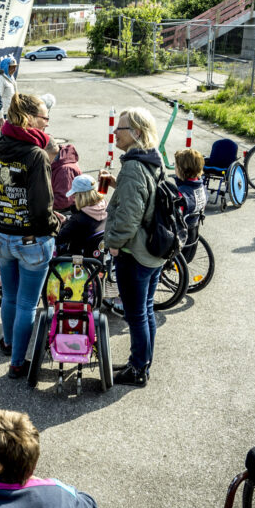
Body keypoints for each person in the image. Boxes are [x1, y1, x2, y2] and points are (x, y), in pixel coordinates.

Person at [0, 93, 59, 378]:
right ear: (28, 119)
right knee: (27, 303)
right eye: (43, 117)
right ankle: (16, 363)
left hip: (2, 237)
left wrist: (7, 212)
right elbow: (42, 209)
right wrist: (55, 227)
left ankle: (9, 342)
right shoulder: (36, 155)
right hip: (32, 241)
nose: (46, 123)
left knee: (10, 297)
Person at [100, 107, 167, 388]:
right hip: (154, 252)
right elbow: (143, 199)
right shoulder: (153, 159)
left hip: (135, 254)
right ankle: (142, 363)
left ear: (136, 133)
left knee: (136, 314)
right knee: (146, 310)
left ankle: (138, 368)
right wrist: (119, 184)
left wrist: (112, 245)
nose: (115, 131)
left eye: (121, 127)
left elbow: (128, 220)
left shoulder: (132, 167)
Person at [55, 175, 107, 256]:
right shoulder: (107, 208)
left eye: (75, 196)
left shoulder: (78, 220)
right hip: (100, 258)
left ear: (81, 196)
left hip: (78, 262)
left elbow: (58, 239)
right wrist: (66, 220)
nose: (73, 199)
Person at [173, 147, 208, 259]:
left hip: (180, 237)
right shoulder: (201, 187)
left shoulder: (181, 194)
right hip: (193, 232)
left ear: (182, 169)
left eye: (176, 166)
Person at [51, 144, 82, 215]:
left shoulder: (65, 170)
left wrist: (39, 203)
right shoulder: (58, 163)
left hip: (67, 211)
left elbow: (64, 201)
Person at [0, 58, 18, 124]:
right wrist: (0, 117)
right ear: (5, 66)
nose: (14, 69)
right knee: (6, 133)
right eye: (11, 67)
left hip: (11, 111)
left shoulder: (10, 76)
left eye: (15, 67)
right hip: (4, 113)